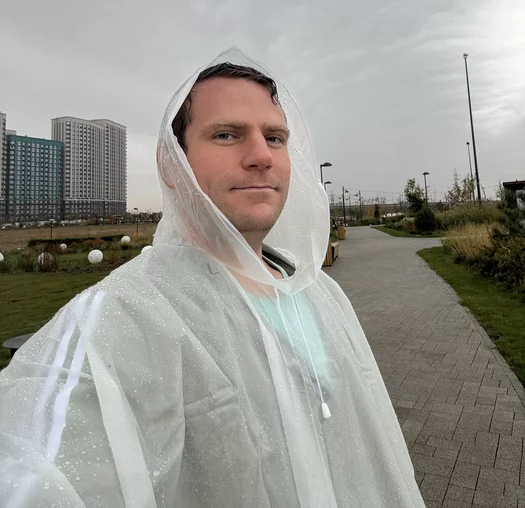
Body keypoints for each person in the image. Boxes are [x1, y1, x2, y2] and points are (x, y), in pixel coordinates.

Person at [0, 48, 425, 507]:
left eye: (275, 138)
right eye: (226, 135)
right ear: (171, 165)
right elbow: (36, 467)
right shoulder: (122, 318)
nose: (261, 156)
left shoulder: (321, 294)